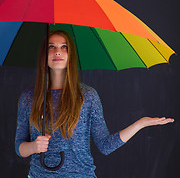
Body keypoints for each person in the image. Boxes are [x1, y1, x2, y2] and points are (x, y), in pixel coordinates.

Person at [15, 30, 174, 178]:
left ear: (71, 55)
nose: (57, 51)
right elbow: (19, 146)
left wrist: (140, 124)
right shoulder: (29, 98)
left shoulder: (87, 96)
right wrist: (33, 147)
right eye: (51, 47)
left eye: (64, 47)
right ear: (43, 54)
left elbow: (105, 146)